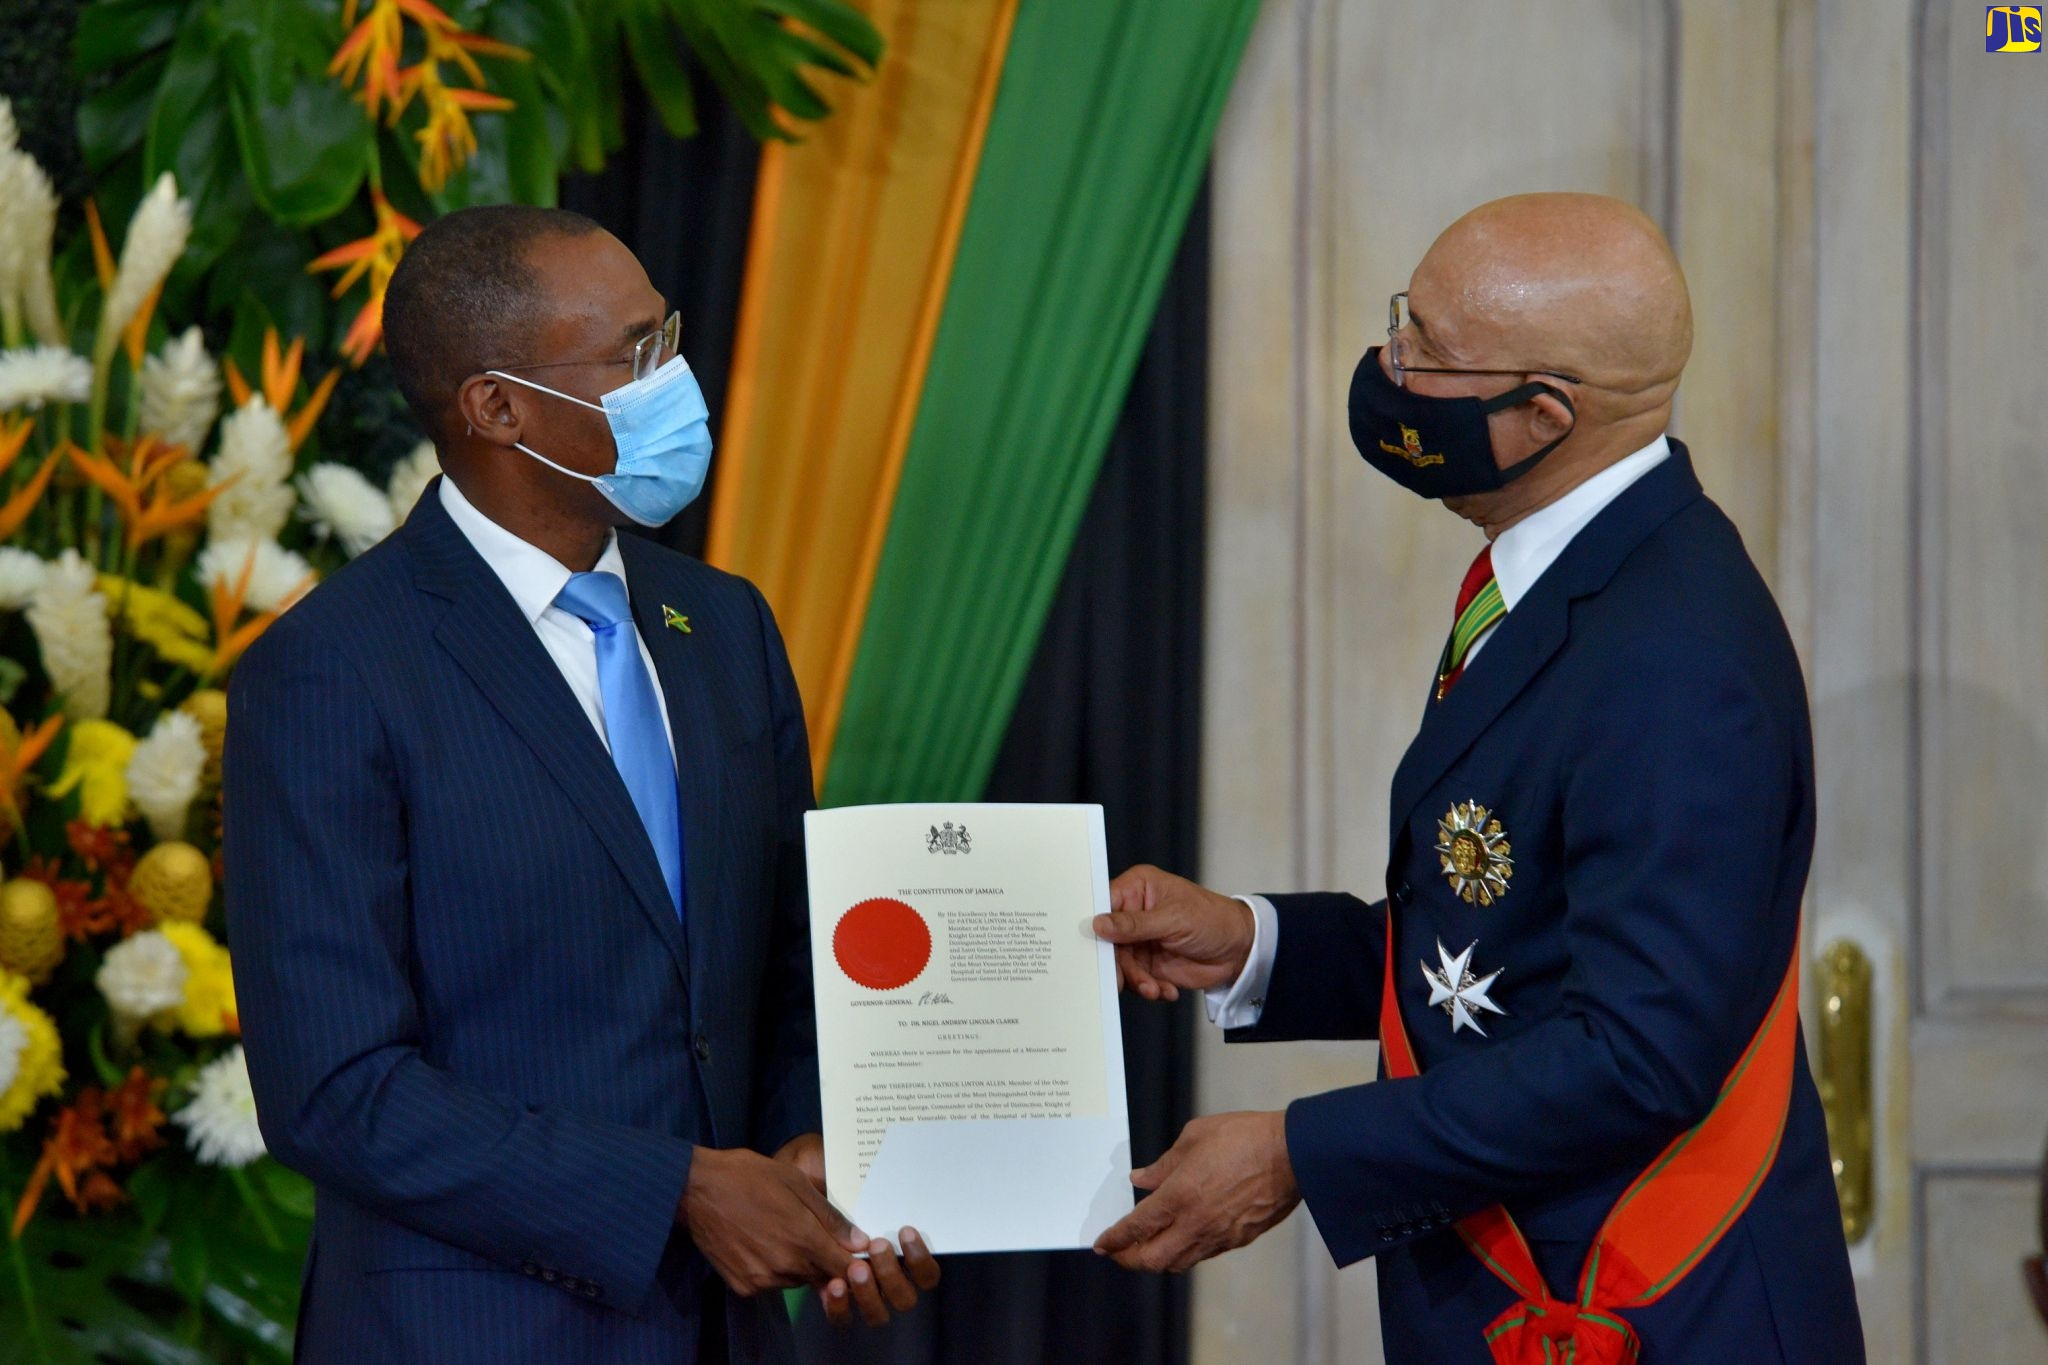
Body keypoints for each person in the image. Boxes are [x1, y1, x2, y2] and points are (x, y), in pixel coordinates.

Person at [1090, 193, 1864, 1362]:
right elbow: (1508, 954)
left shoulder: (1673, 652)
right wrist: (1254, 945)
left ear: (1544, 413)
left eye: (1426, 350)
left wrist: (1300, 1154)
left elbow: (1634, 1049)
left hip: (1646, 1307)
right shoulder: (1564, 577)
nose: (1386, 363)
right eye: (1401, 322)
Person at [225, 205, 937, 1364]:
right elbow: (335, 1089)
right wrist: (675, 1189)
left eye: (670, 338)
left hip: (724, 1332)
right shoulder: (331, 671)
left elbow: (798, 959)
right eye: (633, 355)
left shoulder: (723, 625)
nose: (677, 383)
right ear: (495, 407)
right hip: (467, 1331)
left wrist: (812, 1153)